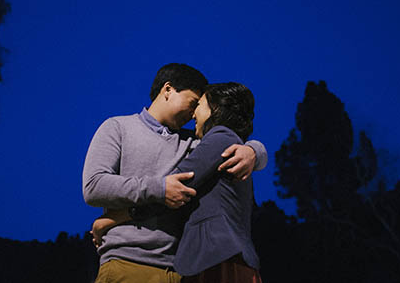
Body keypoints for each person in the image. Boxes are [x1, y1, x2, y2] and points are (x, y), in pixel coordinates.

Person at [82, 64, 267, 283]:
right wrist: (159, 188)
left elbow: (226, 139)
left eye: (199, 106)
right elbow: (94, 186)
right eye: (193, 103)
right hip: (127, 262)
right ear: (168, 90)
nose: (193, 113)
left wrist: (254, 151)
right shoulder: (118, 128)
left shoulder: (194, 141)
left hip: (183, 271)